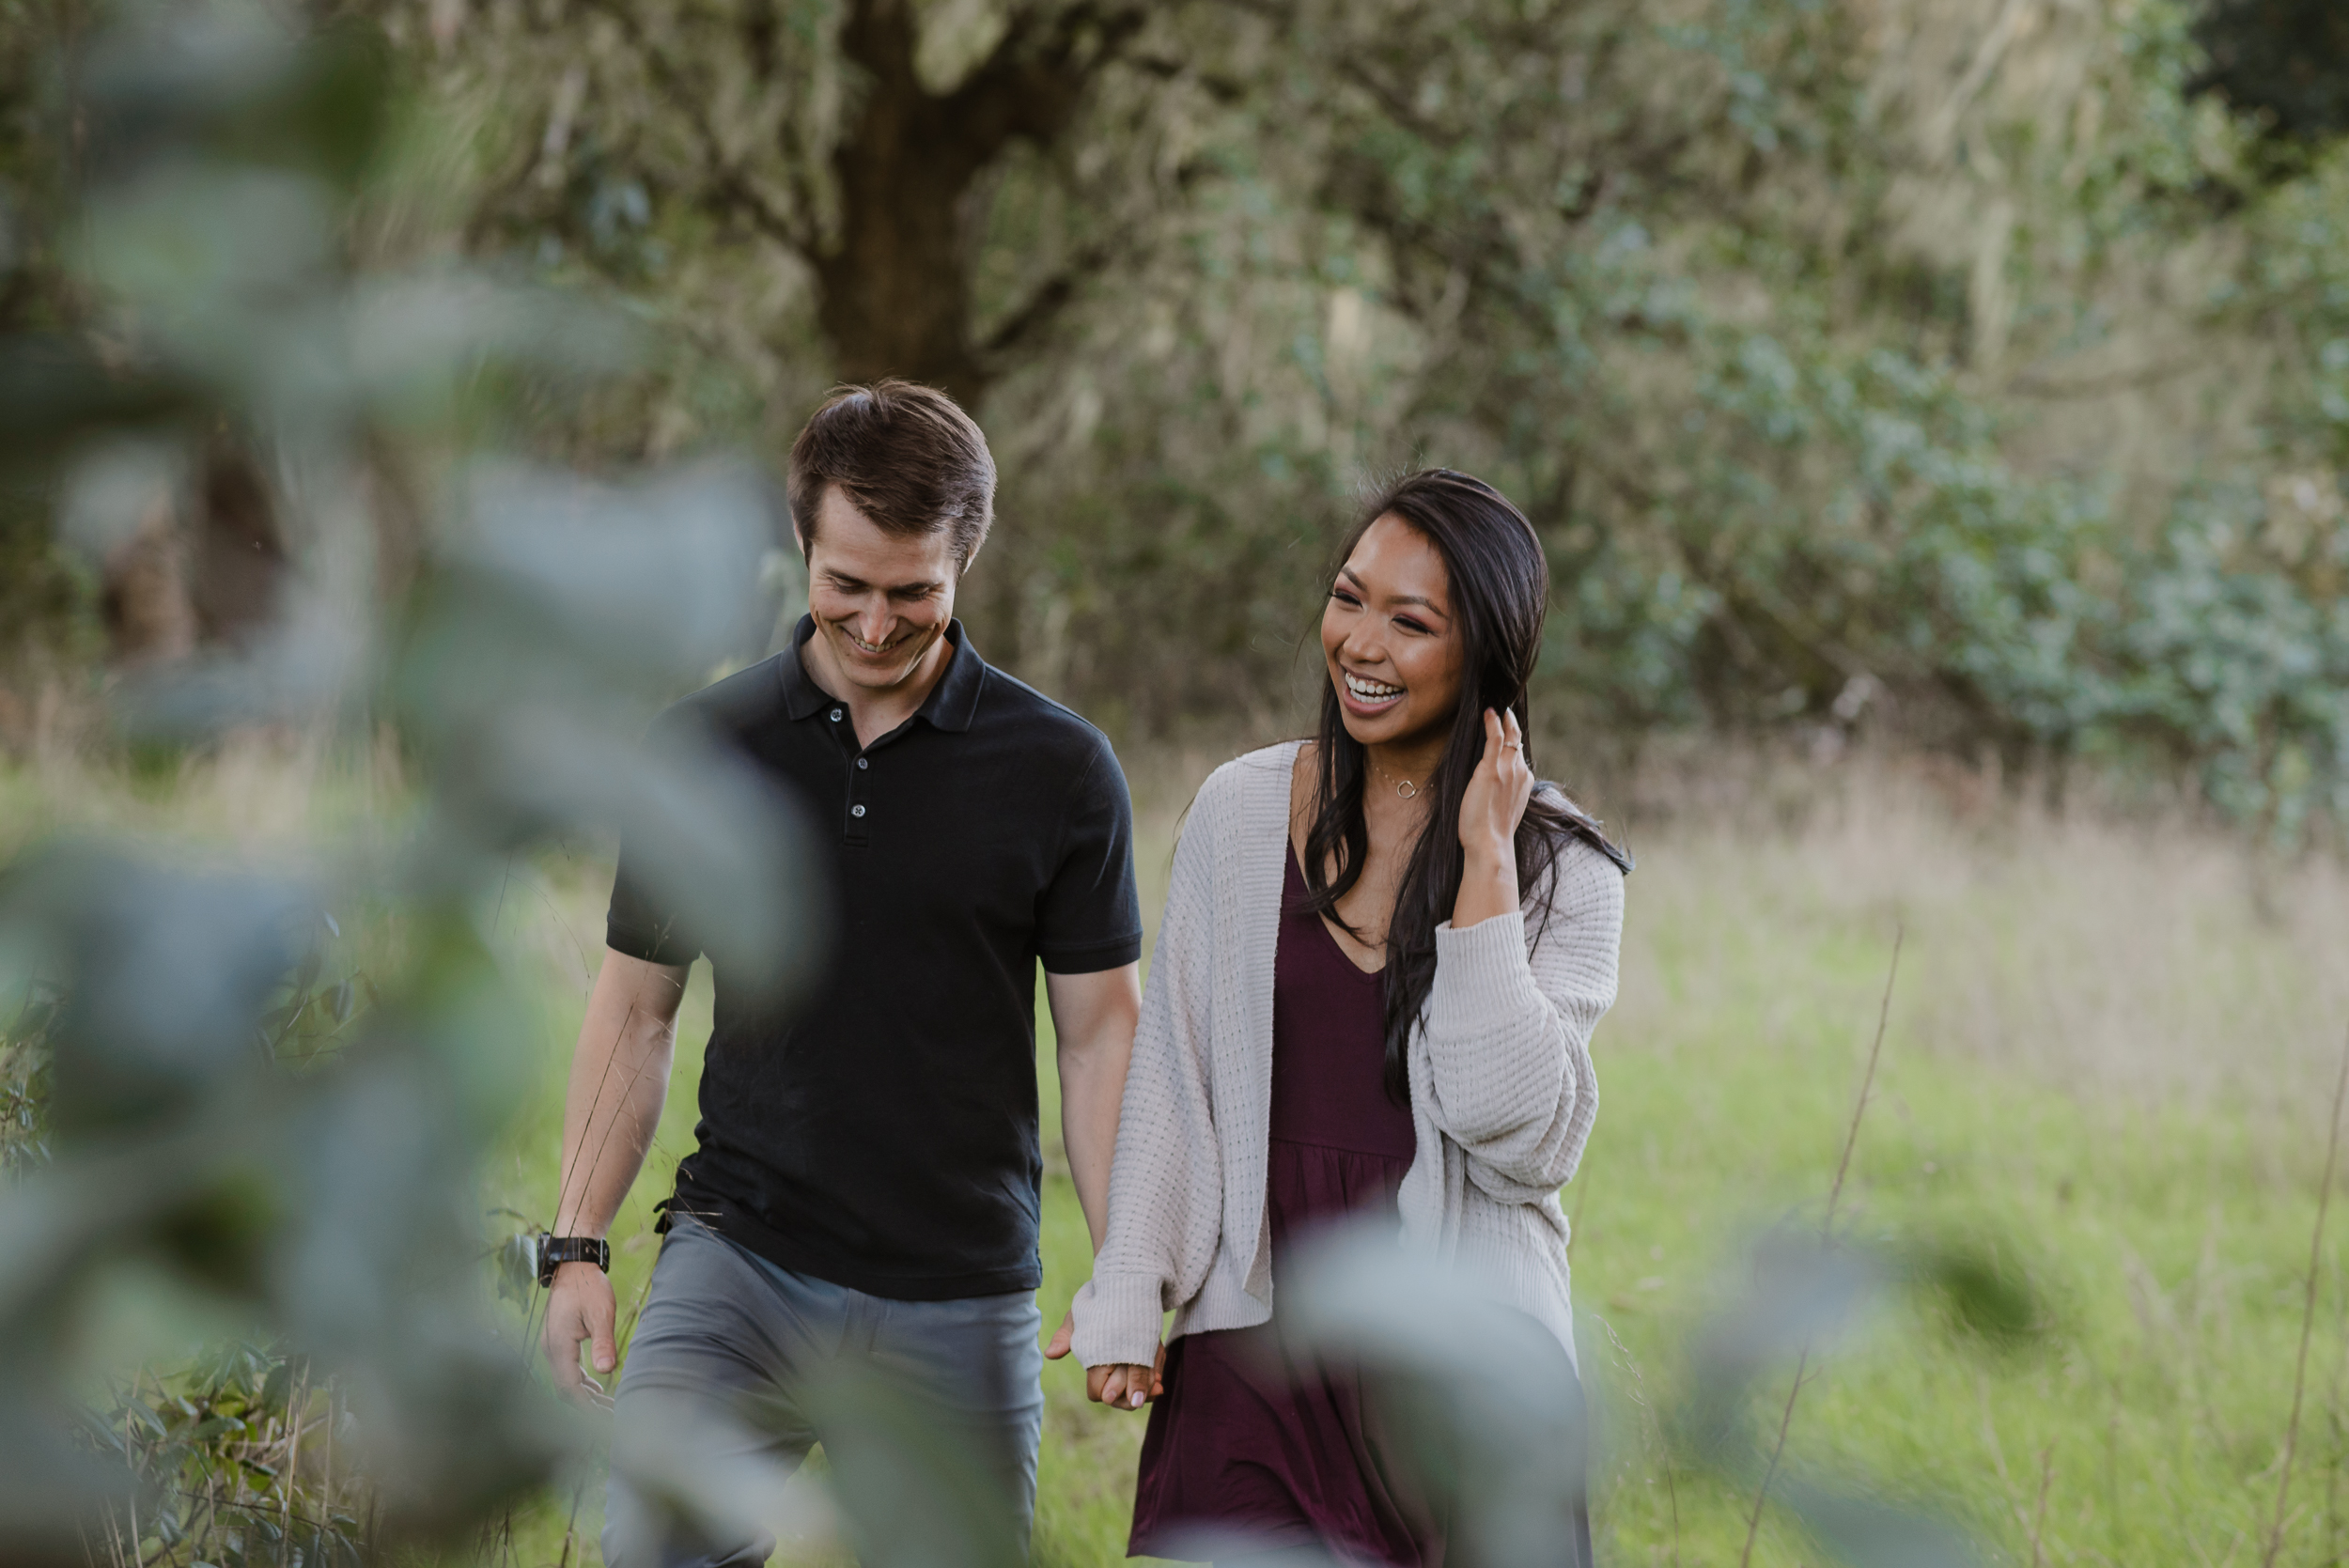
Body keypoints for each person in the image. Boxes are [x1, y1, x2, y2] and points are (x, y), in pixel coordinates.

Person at [539, 380, 1144, 1567]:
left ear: (965, 563)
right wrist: (575, 1244)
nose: (874, 625)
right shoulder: (708, 746)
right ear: (802, 547)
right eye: (846, 586)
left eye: (912, 592)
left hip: (957, 1293)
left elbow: (1099, 1038)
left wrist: (1123, 1269)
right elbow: (634, 1009)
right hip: (737, 1261)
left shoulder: (1062, 771)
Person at [1065, 469, 1629, 1567]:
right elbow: (1175, 1080)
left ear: (1486, 655)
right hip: (1258, 1351)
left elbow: (1515, 1130)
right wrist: (1129, 1292)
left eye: (1410, 622)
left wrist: (1484, 868)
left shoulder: (1563, 867)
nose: (1361, 643)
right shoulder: (1238, 812)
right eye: (1348, 597)